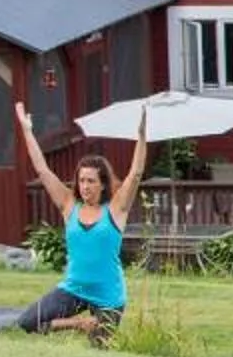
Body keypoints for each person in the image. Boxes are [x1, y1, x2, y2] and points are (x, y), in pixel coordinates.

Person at [11, 101, 147, 344]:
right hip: (73, 289)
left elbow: (135, 174)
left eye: (91, 181)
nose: (85, 186)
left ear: (103, 183)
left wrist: (141, 134)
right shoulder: (68, 205)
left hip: (108, 297)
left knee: (100, 350)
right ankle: (76, 323)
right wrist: (27, 130)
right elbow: (42, 170)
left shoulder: (116, 209)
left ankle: (90, 328)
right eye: (82, 180)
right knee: (27, 323)